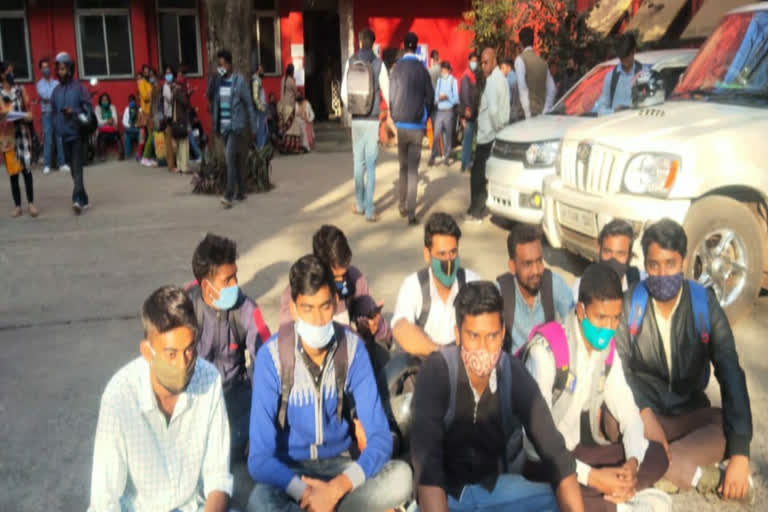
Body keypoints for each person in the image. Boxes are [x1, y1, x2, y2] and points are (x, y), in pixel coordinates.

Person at [247, 255, 413, 512]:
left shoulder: (353, 348)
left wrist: (334, 491)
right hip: (291, 474)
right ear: (293, 309)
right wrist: (306, 492)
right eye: (307, 308)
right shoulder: (272, 358)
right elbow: (259, 459)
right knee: (260, 501)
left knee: (401, 478)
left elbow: (380, 439)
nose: (317, 319)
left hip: (340, 468)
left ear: (336, 303)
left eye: (325, 307)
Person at [411, 281, 585, 512]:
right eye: (474, 336)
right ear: (458, 335)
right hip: (444, 496)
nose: (483, 348)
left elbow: (556, 453)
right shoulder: (437, 372)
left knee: (557, 499)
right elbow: (428, 469)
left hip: (492, 491)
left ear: (503, 334)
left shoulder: (512, 373)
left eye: (492, 336)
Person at [614, 219, 754, 503]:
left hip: (687, 416)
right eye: (654, 265)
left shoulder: (705, 305)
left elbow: (730, 373)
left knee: (728, 425)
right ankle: (699, 477)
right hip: (644, 419)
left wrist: (740, 455)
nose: (662, 274)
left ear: (685, 262)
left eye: (670, 264)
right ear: (646, 264)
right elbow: (618, 367)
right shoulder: (631, 304)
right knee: (607, 417)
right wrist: (643, 412)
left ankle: (657, 466)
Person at [522, 264, 672, 512]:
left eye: (615, 319)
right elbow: (536, 441)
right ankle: (621, 504)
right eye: (600, 318)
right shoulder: (545, 352)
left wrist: (631, 465)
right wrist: (593, 477)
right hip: (543, 460)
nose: (608, 328)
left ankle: (620, 492)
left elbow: (629, 413)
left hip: (575, 454)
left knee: (655, 454)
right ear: (581, 310)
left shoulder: (607, 351)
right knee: (562, 489)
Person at [88, 286, 233, 512]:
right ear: (147, 352)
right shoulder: (119, 396)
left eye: (189, 350)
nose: (183, 365)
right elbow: (104, 499)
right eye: (171, 354)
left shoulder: (208, 379)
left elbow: (218, 475)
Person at [186, 234, 271, 461]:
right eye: (227, 280)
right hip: (195, 399)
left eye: (236, 277)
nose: (235, 285)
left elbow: (267, 365)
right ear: (206, 285)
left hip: (235, 395)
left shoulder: (246, 309)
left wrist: (259, 428)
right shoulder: (183, 308)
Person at [391, 212, 481, 355]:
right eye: (441, 254)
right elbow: (401, 328)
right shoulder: (413, 286)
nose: (448, 260)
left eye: (453, 253)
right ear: (427, 255)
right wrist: (441, 354)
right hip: (426, 367)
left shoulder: (472, 283)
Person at [497, 224, 573, 353]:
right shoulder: (501, 292)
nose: (536, 271)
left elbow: (575, 326)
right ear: (512, 266)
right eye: (528, 264)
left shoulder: (554, 284)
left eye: (539, 261)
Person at [341, 27, 390, 223]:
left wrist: (352, 108)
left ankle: (360, 204)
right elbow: (387, 91)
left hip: (357, 118)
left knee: (357, 163)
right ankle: (370, 210)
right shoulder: (379, 63)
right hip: (372, 120)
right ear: (373, 43)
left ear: (360, 43)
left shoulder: (351, 61)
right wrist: (391, 113)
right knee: (370, 165)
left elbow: (344, 92)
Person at [279, 225, 371, 327]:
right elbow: (286, 333)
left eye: (344, 274)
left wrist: (373, 325)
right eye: (334, 277)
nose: (341, 280)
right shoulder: (298, 292)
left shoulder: (354, 277)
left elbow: (366, 311)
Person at [389, 32, 434, 226]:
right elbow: (430, 97)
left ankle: (401, 205)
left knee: (403, 167)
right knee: (414, 170)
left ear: (403, 46)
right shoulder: (422, 70)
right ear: (416, 47)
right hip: (417, 125)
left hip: (401, 125)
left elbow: (391, 96)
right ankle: (412, 213)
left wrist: (395, 115)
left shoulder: (397, 68)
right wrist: (425, 117)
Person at [207, 49, 258, 208]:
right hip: (223, 128)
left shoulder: (239, 81)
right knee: (234, 161)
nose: (220, 68)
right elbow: (209, 97)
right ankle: (241, 192)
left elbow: (249, 104)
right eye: (218, 65)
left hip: (235, 127)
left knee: (229, 159)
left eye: (222, 65)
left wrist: (253, 127)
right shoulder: (218, 81)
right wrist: (213, 80)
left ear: (229, 65)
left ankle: (228, 195)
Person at [468, 48, 509, 223]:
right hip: (495, 133)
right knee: (484, 173)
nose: (483, 66)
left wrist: (497, 129)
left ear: (494, 61)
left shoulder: (492, 82)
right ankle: (476, 208)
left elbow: (493, 111)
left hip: (489, 135)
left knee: (477, 175)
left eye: (486, 62)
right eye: (482, 62)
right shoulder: (500, 79)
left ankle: (477, 211)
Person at [571, 219, 645, 299]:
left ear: (629, 256)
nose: (613, 260)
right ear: (599, 250)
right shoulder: (581, 288)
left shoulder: (640, 281)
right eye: (607, 252)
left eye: (620, 254)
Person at [1, 61, 37, 218]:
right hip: (7, 137)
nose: (11, 74)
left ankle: (31, 203)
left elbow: (29, 112)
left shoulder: (21, 90)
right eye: (9, 72)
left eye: (12, 71)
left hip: (22, 134)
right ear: (2, 75)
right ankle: (17, 206)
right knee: (13, 173)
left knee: (27, 170)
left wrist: (27, 116)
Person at [596, 34, 644, 116]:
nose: (624, 60)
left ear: (633, 51)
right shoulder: (611, 77)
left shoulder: (644, 75)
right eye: (621, 57)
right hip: (616, 125)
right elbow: (601, 109)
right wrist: (614, 112)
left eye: (626, 56)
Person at [515, 27, 557, 120]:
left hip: (526, 115)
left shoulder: (520, 60)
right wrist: (546, 110)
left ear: (520, 43)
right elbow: (552, 90)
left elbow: (523, 89)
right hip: (541, 113)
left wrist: (527, 115)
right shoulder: (543, 63)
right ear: (533, 42)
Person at [36, 58, 68, 174]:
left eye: (47, 67)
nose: (46, 69)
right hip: (47, 114)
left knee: (59, 138)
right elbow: (45, 96)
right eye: (44, 67)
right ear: (40, 69)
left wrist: (54, 96)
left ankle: (62, 163)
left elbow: (60, 94)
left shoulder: (56, 82)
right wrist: (55, 96)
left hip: (57, 113)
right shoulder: (39, 84)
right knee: (48, 139)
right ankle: (47, 165)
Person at [428, 61, 458, 167]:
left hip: (449, 111)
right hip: (440, 111)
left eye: (445, 70)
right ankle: (433, 157)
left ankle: (447, 157)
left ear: (449, 70)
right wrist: (438, 99)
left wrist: (447, 97)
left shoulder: (453, 81)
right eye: (442, 70)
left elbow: (456, 99)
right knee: (436, 135)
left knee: (448, 135)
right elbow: (435, 97)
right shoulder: (440, 81)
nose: (444, 72)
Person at [459, 52, 479, 173]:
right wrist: (467, 108)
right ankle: (466, 163)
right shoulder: (467, 76)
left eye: (476, 61)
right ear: (468, 61)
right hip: (469, 111)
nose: (474, 63)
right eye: (473, 60)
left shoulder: (472, 75)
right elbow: (465, 93)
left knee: (469, 138)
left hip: (472, 111)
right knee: (468, 138)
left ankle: (465, 162)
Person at [277, 63, 302, 154]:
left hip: (282, 106)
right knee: (291, 129)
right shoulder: (291, 81)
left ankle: (282, 147)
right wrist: (300, 96)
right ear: (292, 71)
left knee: (284, 127)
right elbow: (296, 93)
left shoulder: (283, 79)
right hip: (290, 107)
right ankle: (291, 148)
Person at [140, 68, 162, 167]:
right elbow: (146, 98)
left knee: (154, 134)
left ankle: (151, 156)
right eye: (149, 74)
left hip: (157, 112)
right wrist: (151, 89)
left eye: (152, 74)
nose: (150, 76)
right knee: (151, 135)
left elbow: (158, 96)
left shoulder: (154, 84)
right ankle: (145, 157)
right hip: (148, 113)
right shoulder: (143, 83)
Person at [170, 73, 191, 174]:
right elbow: (185, 103)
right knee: (184, 145)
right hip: (181, 121)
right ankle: (184, 167)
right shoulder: (179, 92)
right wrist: (188, 94)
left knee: (178, 145)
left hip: (175, 122)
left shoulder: (173, 92)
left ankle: (179, 166)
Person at [95, 93, 123, 161]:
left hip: (111, 128)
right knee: (101, 137)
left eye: (106, 100)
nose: (105, 101)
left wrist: (111, 122)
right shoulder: (98, 108)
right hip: (102, 129)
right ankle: (101, 155)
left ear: (108, 100)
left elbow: (115, 119)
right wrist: (107, 121)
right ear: (100, 101)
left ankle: (121, 154)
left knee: (118, 135)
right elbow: (98, 121)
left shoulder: (112, 107)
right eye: (103, 100)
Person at [500, 56, 523, 123]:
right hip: (519, 113)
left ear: (509, 67)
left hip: (511, 115)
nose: (501, 70)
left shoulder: (507, 80)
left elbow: (508, 100)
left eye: (503, 68)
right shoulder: (517, 76)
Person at [252, 65, 269, 148]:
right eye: (261, 70)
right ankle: (260, 148)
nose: (263, 71)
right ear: (257, 71)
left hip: (261, 108)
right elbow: (255, 97)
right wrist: (262, 108)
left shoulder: (258, 80)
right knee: (261, 130)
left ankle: (261, 147)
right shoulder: (256, 81)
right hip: (260, 110)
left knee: (263, 130)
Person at [122, 94, 140, 160]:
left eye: (133, 100)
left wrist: (135, 126)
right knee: (127, 135)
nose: (132, 102)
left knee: (140, 133)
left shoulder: (139, 109)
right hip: (129, 129)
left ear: (135, 101)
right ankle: (127, 154)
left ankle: (140, 153)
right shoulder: (127, 109)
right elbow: (124, 122)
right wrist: (130, 126)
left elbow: (140, 122)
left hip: (136, 129)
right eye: (130, 101)